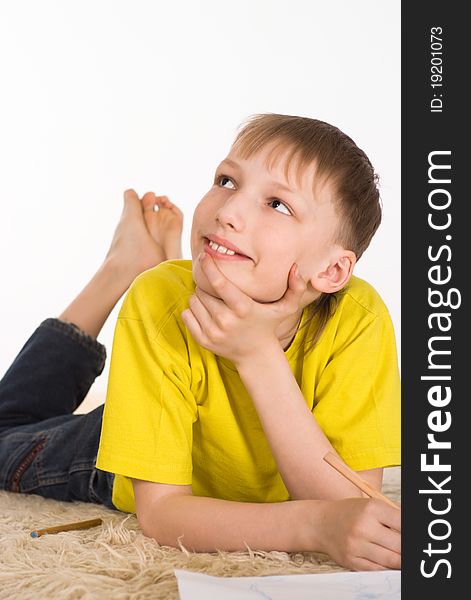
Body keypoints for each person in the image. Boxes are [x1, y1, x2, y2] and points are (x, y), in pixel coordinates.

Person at [0, 114, 400, 571]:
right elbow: (162, 512)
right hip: (139, 453)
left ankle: (145, 261)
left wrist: (258, 356)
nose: (227, 211)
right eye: (227, 180)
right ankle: (121, 268)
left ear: (330, 272)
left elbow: (351, 504)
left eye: (278, 205)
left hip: (183, 411)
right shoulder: (157, 303)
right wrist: (310, 526)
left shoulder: (360, 319)